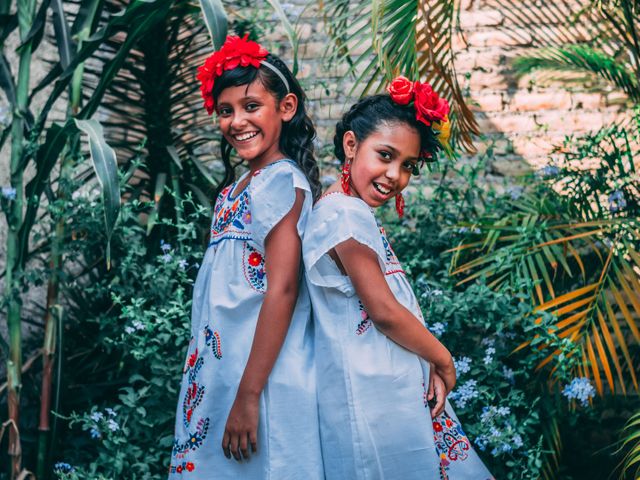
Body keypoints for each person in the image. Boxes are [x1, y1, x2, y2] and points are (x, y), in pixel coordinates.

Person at [303, 76, 494, 479]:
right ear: (351, 145)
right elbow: (384, 310)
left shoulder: (347, 210)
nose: (394, 175)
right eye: (385, 155)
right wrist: (442, 359)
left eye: (407, 165)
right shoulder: (344, 214)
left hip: (384, 385)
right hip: (372, 393)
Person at [168, 35, 323, 479]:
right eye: (226, 110)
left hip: (260, 377)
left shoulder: (280, 183)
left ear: (286, 108)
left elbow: (283, 289)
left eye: (251, 106)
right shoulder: (234, 192)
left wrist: (249, 394)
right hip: (223, 370)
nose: (237, 121)